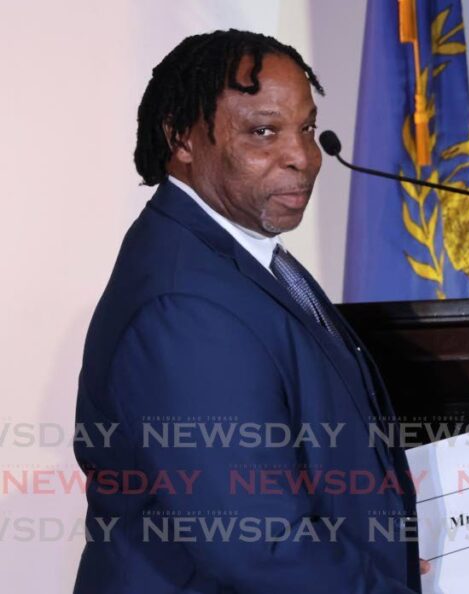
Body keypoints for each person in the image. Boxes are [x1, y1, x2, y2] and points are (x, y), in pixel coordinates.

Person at [74, 30, 424, 593]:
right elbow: (263, 546)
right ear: (181, 138)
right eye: (264, 132)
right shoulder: (184, 304)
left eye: (306, 128)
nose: (302, 158)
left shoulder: (236, 255)